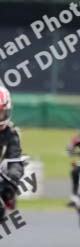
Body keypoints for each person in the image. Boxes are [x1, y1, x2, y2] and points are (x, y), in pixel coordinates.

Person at [0, 87, 24, 218]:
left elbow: (15, 156)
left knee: (14, 173)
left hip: (1, 167)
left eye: (1, 113)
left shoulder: (12, 132)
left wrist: (13, 174)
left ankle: (7, 197)